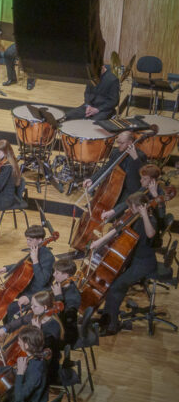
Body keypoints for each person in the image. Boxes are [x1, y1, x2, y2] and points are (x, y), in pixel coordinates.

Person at [93, 192, 161, 336]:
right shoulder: (134, 216)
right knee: (114, 284)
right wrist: (100, 242)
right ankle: (108, 316)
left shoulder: (150, 219)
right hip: (133, 260)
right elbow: (118, 229)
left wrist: (144, 215)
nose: (129, 209)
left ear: (141, 207)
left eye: (131, 207)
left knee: (115, 287)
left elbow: (150, 234)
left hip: (143, 263)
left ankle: (111, 326)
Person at [0, 290, 63, 384]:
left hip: (42, 366)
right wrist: (4, 329)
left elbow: (43, 351)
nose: (31, 307)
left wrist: (38, 331)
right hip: (32, 358)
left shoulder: (54, 326)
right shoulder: (37, 315)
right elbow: (21, 320)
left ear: (45, 307)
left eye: (35, 306)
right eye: (32, 304)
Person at [0, 225, 56, 324]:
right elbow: (24, 265)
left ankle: (9, 329)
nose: (27, 243)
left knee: (10, 307)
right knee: (3, 296)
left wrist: (35, 260)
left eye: (30, 240)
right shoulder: (35, 249)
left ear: (40, 240)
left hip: (38, 292)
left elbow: (42, 281)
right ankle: (7, 325)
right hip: (28, 286)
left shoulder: (47, 257)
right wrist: (6, 268)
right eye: (27, 240)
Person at [81, 131, 146, 204]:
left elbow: (144, 173)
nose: (119, 145)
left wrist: (135, 158)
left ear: (130, 143)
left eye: (122, 143)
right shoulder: (116, 152)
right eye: (118, 142)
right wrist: (92, 179)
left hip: (130, 191)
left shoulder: (140, 155)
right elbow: (107, 167)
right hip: (115, 187)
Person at [50, 258, 82, 345]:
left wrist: (58, 297)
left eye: (57, 273)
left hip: (65, 334)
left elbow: (65, 319)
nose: (53, 274)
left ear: (66, 275)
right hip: (55, 324)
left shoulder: (73, 297)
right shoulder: (60, 284)